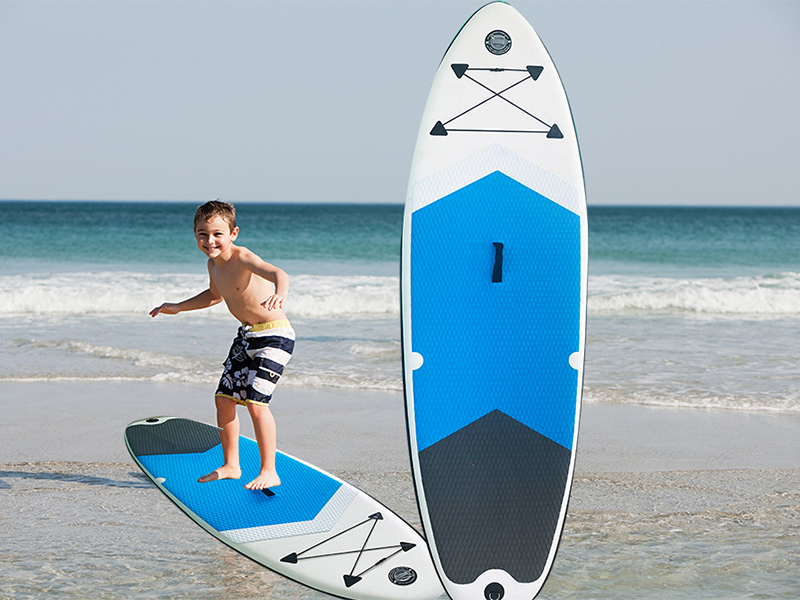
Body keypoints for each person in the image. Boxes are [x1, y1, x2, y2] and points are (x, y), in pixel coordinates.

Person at [150, 199, 295, 491]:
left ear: (233, 233)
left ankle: (269, 470)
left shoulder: (242, 257)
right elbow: (214, 296)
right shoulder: (213, 265)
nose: (210, 240)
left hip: (275, 336)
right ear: (195, 235)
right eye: (202, 234)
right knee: (223, 400)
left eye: (217, 233)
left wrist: (280, 293)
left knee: (255, 404)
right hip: (246, 337)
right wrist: (178, 307)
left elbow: (279, 273)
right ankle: (231, 465)